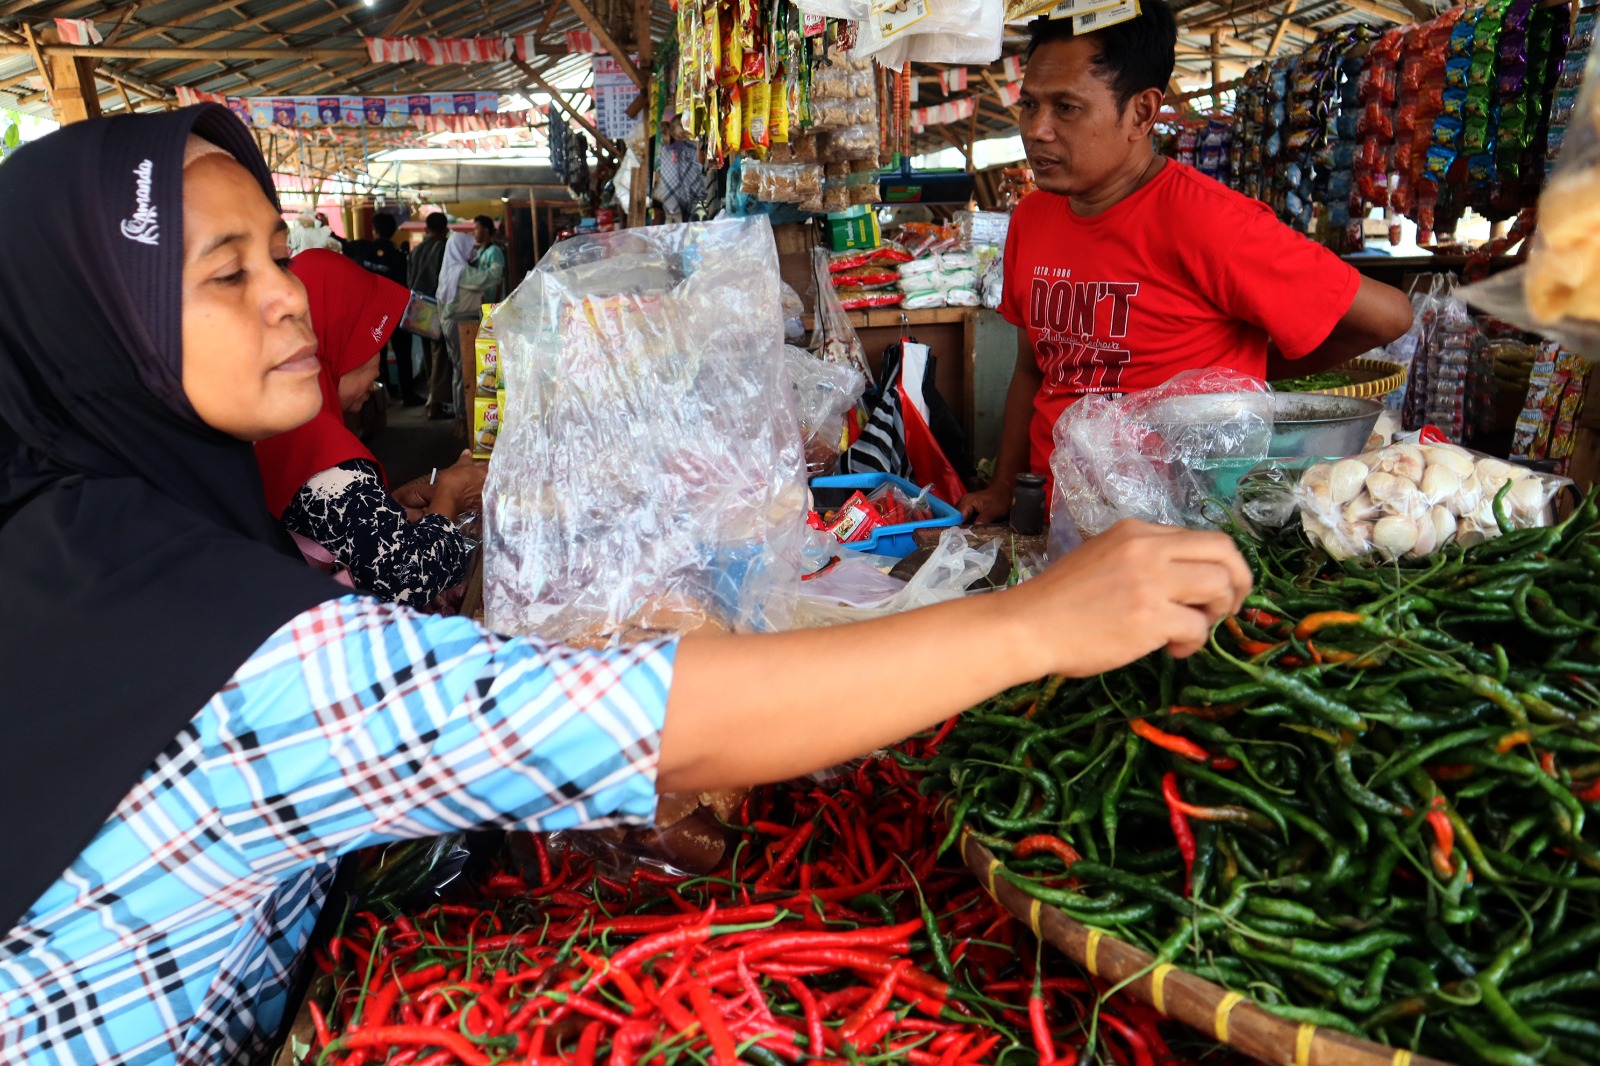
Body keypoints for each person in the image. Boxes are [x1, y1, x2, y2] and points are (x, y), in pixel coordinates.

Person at [0, 106, 1250, 1064]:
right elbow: (648, 727)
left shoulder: (74, 537)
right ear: (96, 324)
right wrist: (1031, 622)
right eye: (229, 274)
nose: (290, 302)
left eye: (284, 253)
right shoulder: (212, 642)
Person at [957, 3, 1415, 524]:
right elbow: (1032, 368)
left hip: (1179, 527)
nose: (1037, 129)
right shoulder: (1033, 217)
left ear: (1142, 113)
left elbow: (1390, 315)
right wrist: (1002, 487)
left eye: (1066, 108)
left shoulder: (1211, 223)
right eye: (1030, 104)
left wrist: (1251, 377)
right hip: (1057, 519)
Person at [255, 249, 484, 606]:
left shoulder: (277, 427)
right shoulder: (322, 452)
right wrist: (451, 493)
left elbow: (332, 534)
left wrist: (387, 506)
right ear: (331, 340)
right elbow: (406, 581)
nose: (377, 368)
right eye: (372, 343)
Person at [344, 212, 424, 406]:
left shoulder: (363, 250)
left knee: (374, 354)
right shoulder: (399, 257)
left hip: (371, 314)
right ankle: (408, 394)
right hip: (396, 311)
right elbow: (407, 284)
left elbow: (340, 243)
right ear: (394, 231)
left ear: (374, 230)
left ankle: (382, 394)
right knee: (403, 354)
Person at [437, 229, 501, 434]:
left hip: (451, 323)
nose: (472, 252)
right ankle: (463, 418)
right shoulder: (461, 272)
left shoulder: (449, 270)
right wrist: (497, 260)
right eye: (469, 247)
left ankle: (461, 417)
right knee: (465, 371)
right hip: (462, 325)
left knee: (459, 369)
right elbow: (490, 278)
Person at [408, 212, 453, 421]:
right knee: (440, 356)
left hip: (417, 306)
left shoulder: (416, 250)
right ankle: (436, 403)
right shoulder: (445, 248)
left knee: (428, 354)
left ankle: (431, 399)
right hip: (436, 307)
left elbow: (409, 278)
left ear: (426, 229)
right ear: (445, 229)